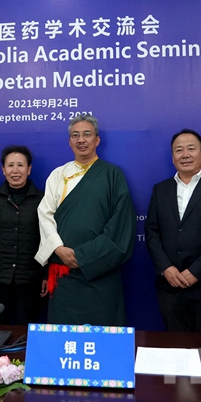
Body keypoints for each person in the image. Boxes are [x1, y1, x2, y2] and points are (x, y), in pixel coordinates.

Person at [35, 114, 135, 326]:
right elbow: (45, 215)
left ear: (97, 140)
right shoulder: (58, 174)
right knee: (64, 334)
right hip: (63, 273)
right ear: (69, 141)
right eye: (75, 135)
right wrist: (58, 248)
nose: (81, 140)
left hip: (101, 273)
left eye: (87, 134)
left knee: (101, 334)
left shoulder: (112, 175)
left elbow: (120, 226)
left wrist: (83, 256)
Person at [145, 129, 201, 347]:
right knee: (177, 351)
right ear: (172, 157)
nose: (185, 154)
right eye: (179, 150)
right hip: (170, 287)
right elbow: (151, 232)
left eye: (191, 149)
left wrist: (196, 271)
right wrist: (166, 268)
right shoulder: (160, 190)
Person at [0, 146, 47, 325]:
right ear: (3, 169)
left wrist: (46, 275)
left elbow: (47, 239)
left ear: (29, 169)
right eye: (10, 165)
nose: (15, 170)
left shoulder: (42, 199)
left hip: (29, 278)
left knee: (25, 327)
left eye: (20, 165)